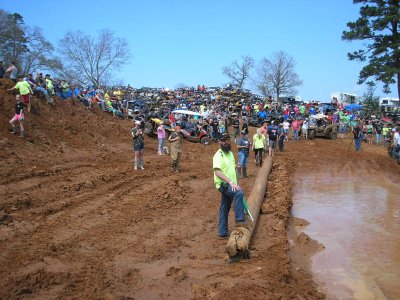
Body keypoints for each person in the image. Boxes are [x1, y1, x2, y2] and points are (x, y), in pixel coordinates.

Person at [213, 132, 246, 239]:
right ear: (220, 142)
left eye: (228, 140)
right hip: (223, 184)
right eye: (224, 140)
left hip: (231, 184)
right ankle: (240, 221)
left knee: (225, 207)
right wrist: (231, 182)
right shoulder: (218, 155)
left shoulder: (230, 154)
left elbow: (232, 169)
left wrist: (234, 182)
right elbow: (218, 172)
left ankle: (222, 232)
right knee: (239, 193)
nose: (226, 142)